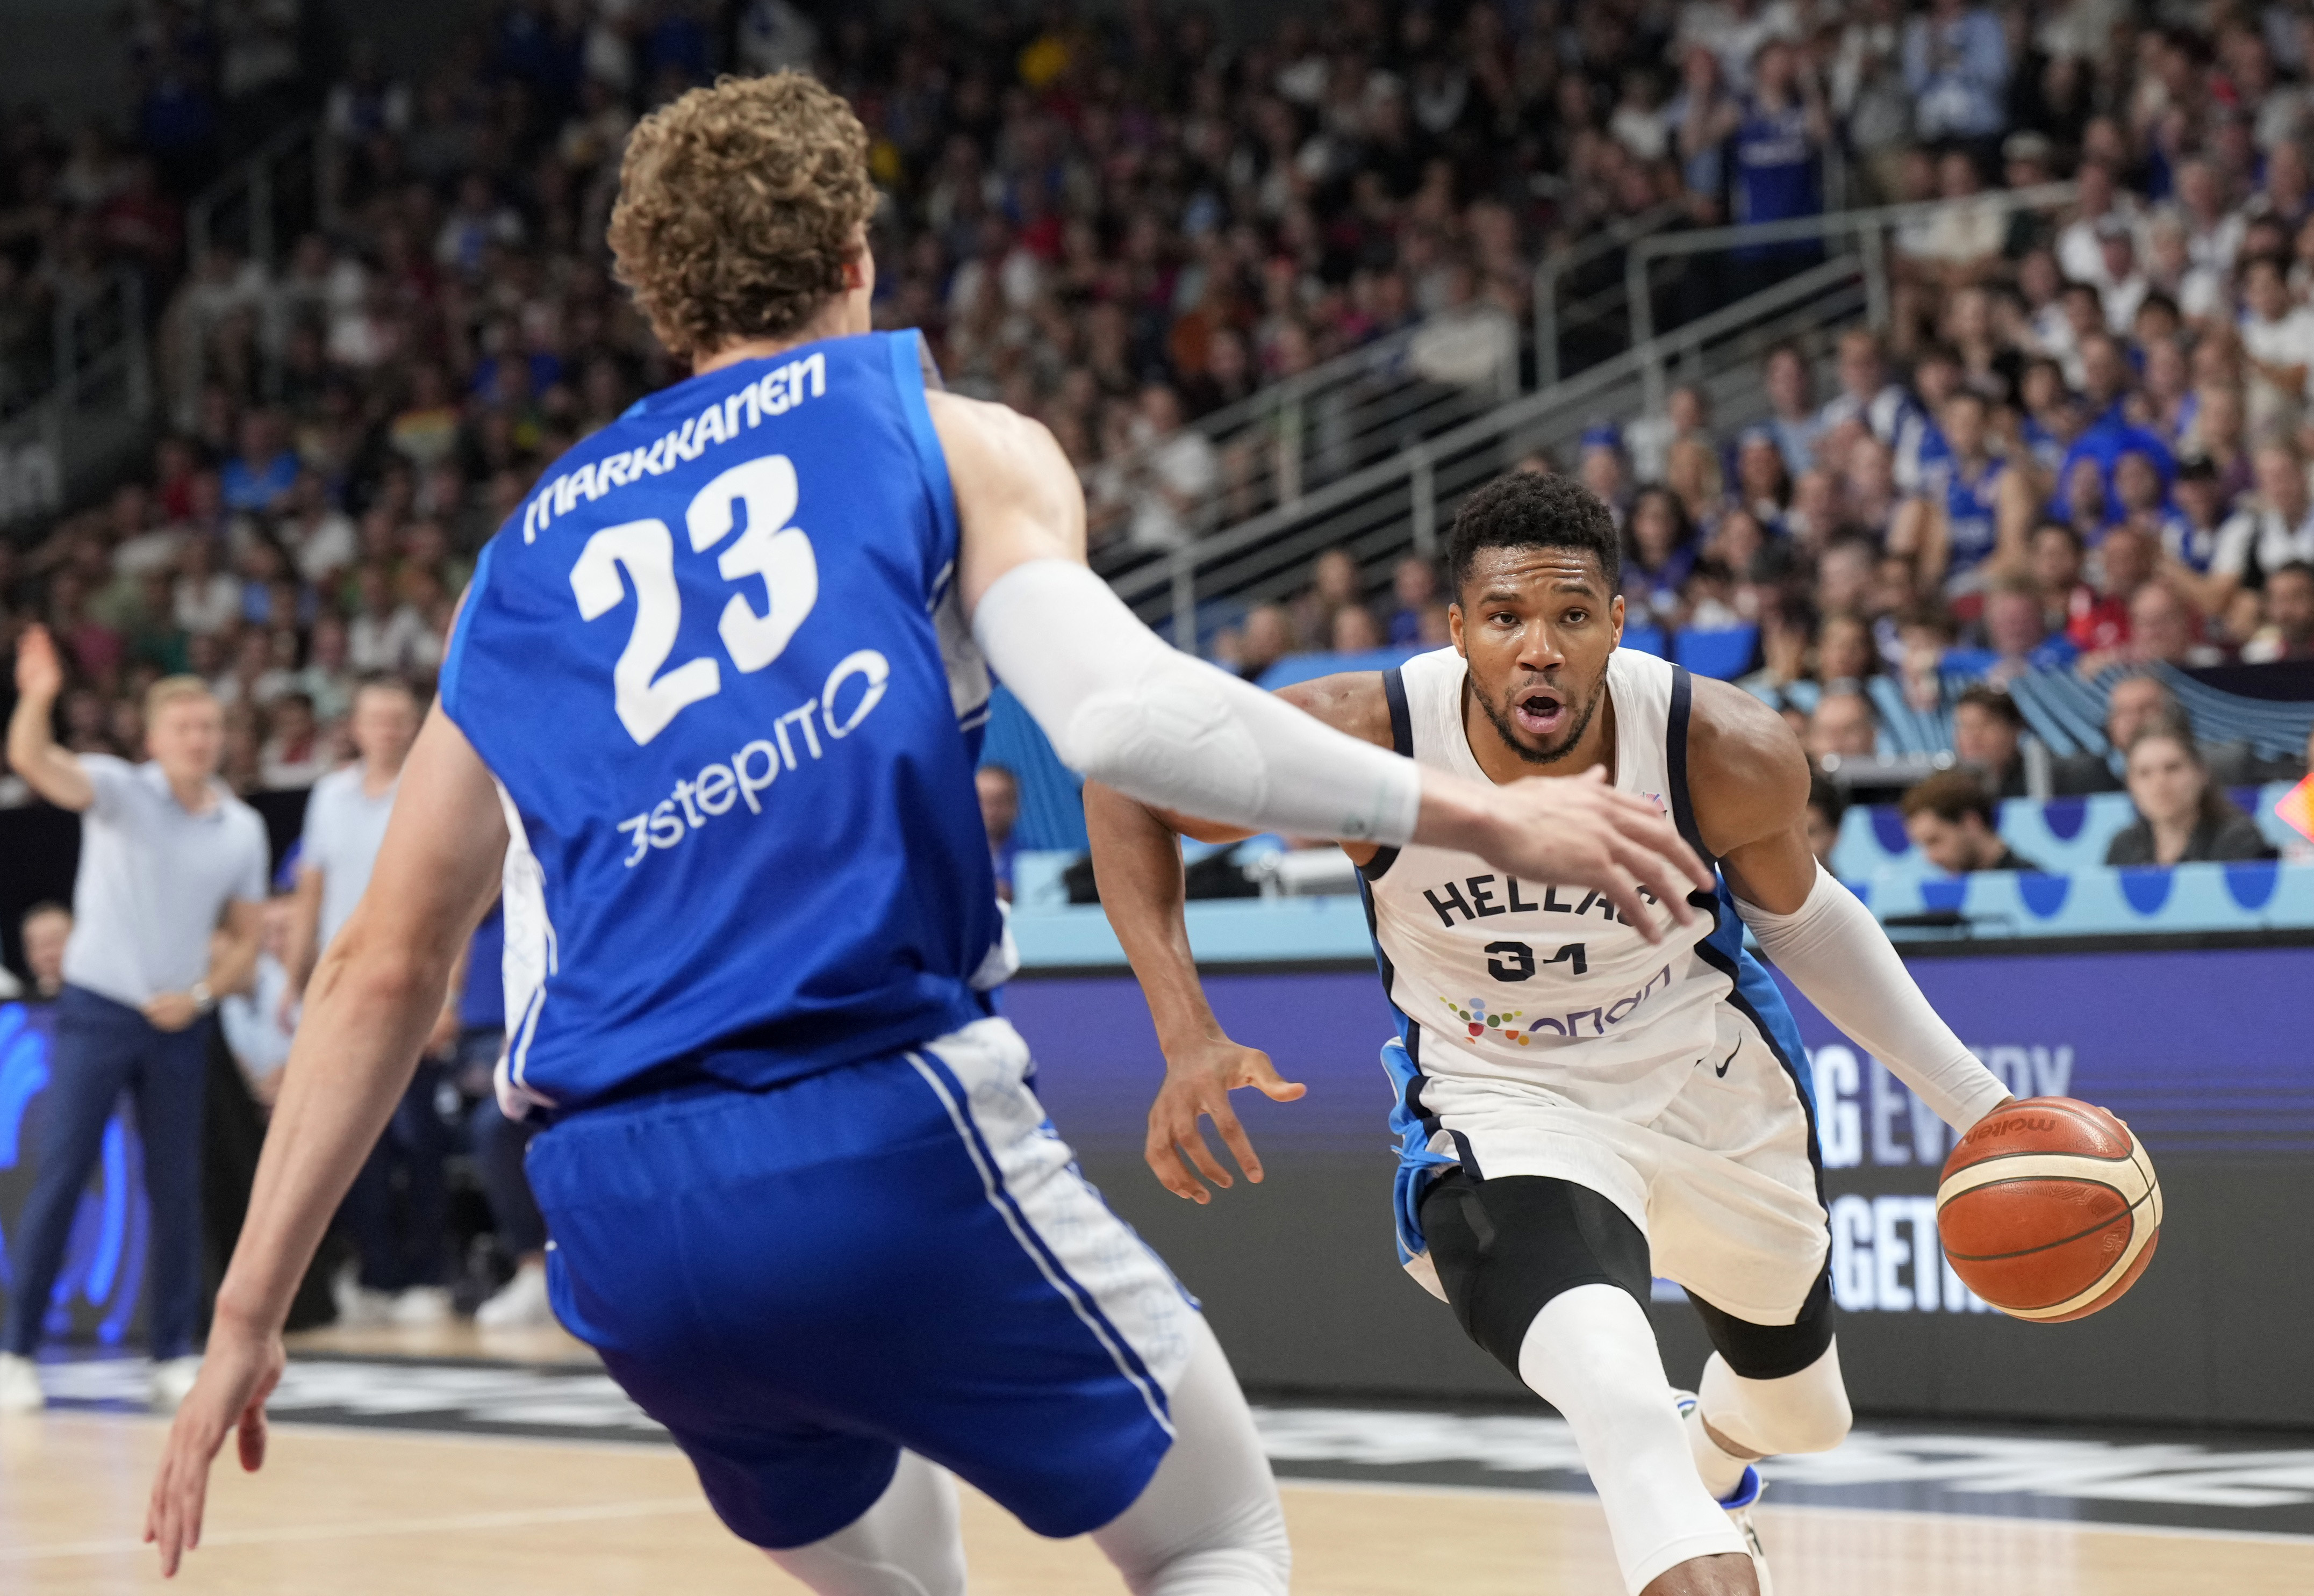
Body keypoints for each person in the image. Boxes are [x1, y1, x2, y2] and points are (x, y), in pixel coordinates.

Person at [146, 74, 1708, 1592]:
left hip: (618, 1222)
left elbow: (378, 966)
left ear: (660, 301)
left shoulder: (524, 555)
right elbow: (1123, 724)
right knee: (1213, 1540)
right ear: (855, 260)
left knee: (890, 1569)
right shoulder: (937, 430)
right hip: (868, 1133)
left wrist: (243, 1321)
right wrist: (1484, 814)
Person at [1087, 470, 2024, 1596]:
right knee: (1617, 1402)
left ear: (1616, 626)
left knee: (1805, 1416)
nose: (1538, 648)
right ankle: (1674, 1479)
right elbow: (1127, 772)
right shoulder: (1365, 733)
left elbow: (1807, 919)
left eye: (1570, 617)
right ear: (1457, 632)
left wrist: (1980, 1107)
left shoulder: (1719, 746)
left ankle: (1715, 1451)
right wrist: (1184, 1031)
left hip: (1702, 1083)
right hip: (1503, 1099)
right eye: (1505, 619)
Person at [1, 657, 267, 1413]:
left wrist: (203, 994)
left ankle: (173, 1353)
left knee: (175, 1188)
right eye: (183, 726)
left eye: (210, 726)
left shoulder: (241, 827)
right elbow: (29, 758)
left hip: (180, 1023)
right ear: (153, 737)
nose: (199, 737)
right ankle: (15, 1351)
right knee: (62, 1174)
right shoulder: (119, 790)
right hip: (97, 1006)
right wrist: (40, 696)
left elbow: (247, 939)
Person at [281, 675, 448, 1327]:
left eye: (399, 717)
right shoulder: (329, 795)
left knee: (422, 1138)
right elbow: (310, 895)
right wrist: (296, 981)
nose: (388, 728)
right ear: (353, 727)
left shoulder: (435, 786)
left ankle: (428, 1275)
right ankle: (377, 1273)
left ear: (415, 725)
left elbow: (458, 894)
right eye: (375, 718)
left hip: (414, 982)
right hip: (344, 989)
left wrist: (452, 993)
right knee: (355, 1141)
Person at [2103, 728, 2280, 866]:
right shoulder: (2123, 846)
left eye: (2173, 768)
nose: (2160, 783)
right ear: (2130, 785)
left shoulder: (2238, 839)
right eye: (2144, 773)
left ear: (2202, 773)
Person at [1898, 770, 2044, 873]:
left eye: (1935, 841)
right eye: (1923, 846)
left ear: (1971, 823)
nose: (1931, 858)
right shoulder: (1945, 902)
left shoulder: (2036, 885)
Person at [976, 763, 1022, 902]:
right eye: (982, 801)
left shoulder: (1032, 859)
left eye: (999, 801)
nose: (991, 811)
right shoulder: (948, 859)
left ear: (1016, 806)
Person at [18, 903, 71, 1001]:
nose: (50, 955)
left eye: (56, 941)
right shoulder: (15, 1002)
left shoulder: (100, 1000)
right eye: (41, 945)